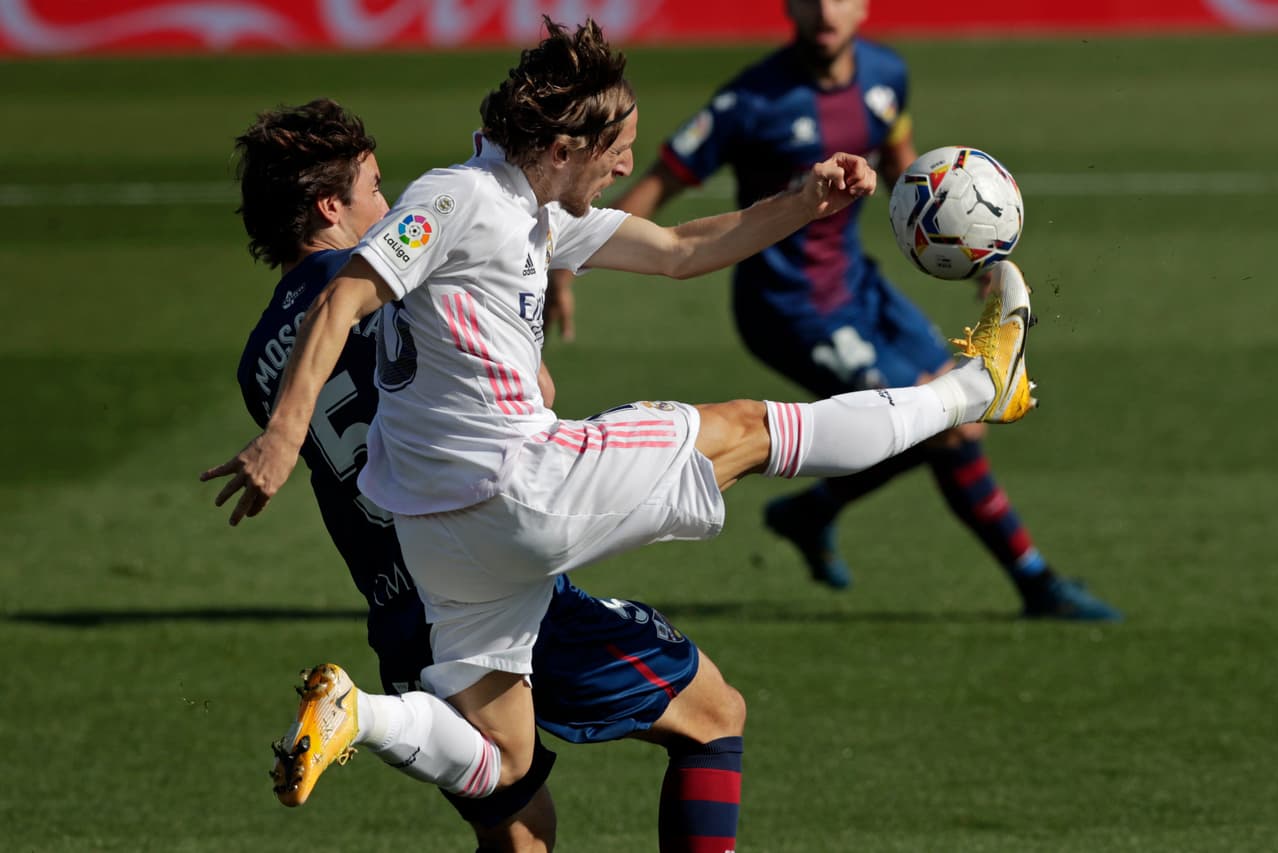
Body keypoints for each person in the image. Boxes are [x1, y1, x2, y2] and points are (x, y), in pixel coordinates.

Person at [202, 17, 1035, 847]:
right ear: (565, 145)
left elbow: (676, 247)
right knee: (749, 432)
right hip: (519, 486)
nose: (630, 165)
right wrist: (282, 437)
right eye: (619, 146)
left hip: (437, 544)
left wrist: (803, 201)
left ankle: (365, 716)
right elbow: (348, 292)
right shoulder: (457, 198)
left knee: (503, 764)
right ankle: (975, 385)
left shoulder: (524, 211)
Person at [228, 97, 746, 852]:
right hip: (482, 569)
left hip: (400, 614)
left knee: (522, 835)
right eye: (374, 186)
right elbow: (532, 388)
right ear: (330, 205)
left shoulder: (258, 362)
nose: (388, 200)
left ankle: (363, 713)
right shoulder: (396, 272)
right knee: (713, 715)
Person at [549, 0, 1119, 620]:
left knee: (955, 420)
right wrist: (566, 259)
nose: (825, 9)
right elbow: (659, 184)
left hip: (860, 288)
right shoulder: (751, 101)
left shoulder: (885, 75)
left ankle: (811, 511)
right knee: (951, 424)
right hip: (789, 309)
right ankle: (1035, 582)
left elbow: (912, 170)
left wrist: (971, 254)